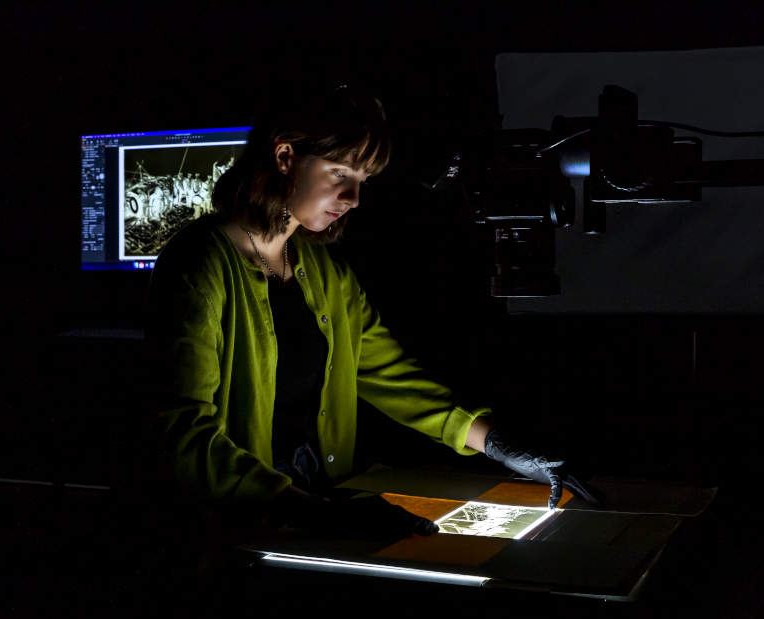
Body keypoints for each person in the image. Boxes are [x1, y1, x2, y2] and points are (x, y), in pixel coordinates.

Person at [145, 86, 598, 551]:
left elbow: (388, 374)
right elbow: (184, 436)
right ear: (285, 157)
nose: (354, 196)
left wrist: (497, 444)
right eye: (340, 172)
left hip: (317, 505)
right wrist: (315, 512)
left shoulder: (326, 273)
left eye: (362, 179)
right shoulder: (199, 264)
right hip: (241, 527)